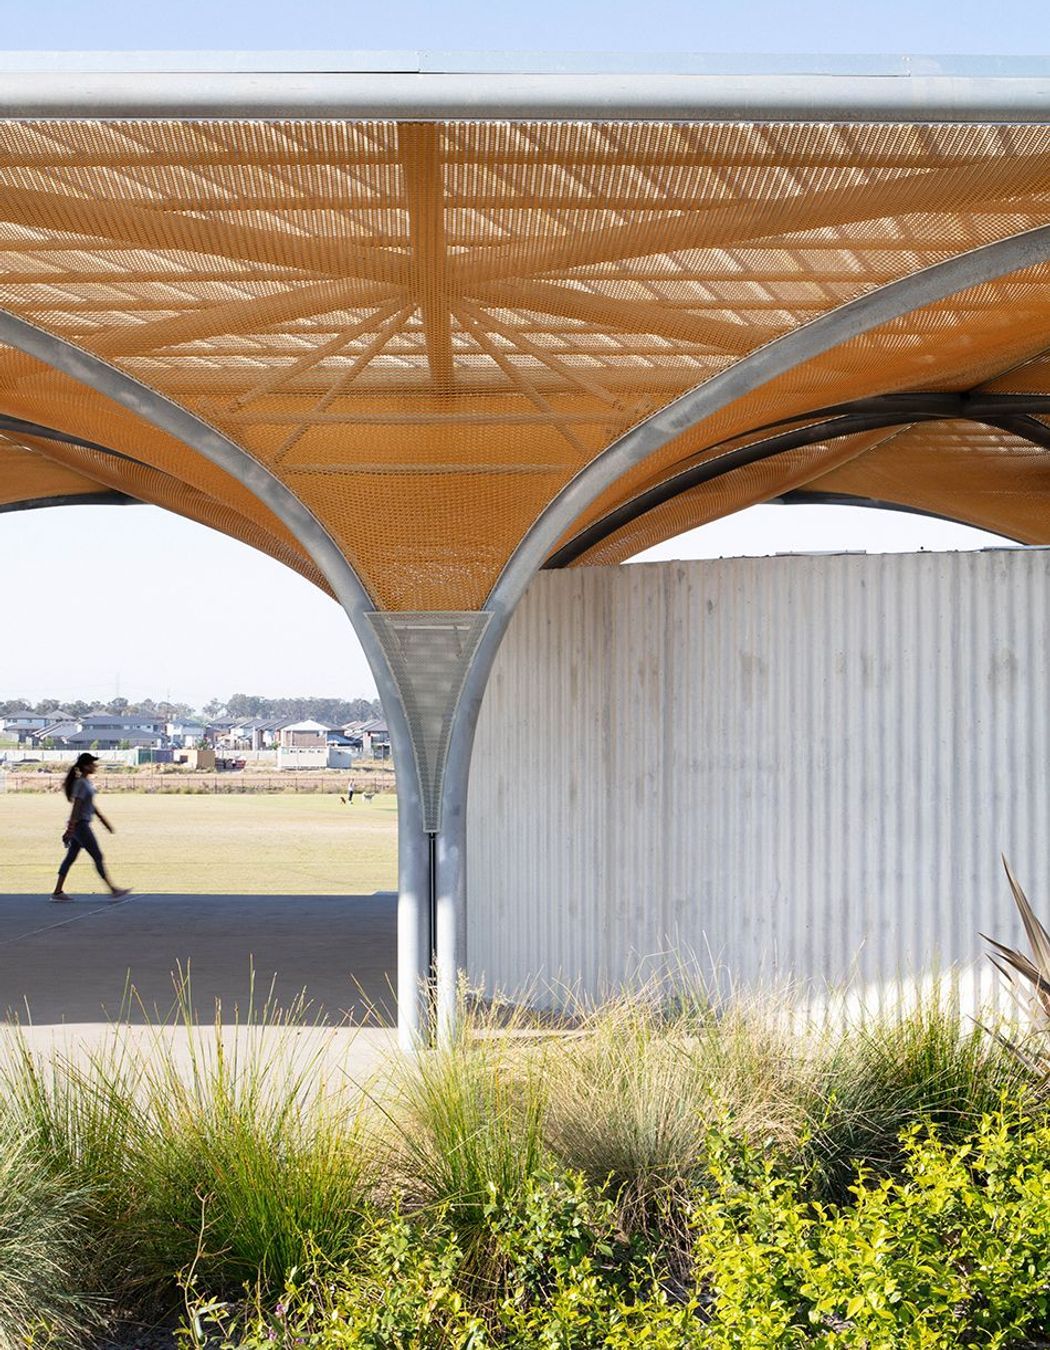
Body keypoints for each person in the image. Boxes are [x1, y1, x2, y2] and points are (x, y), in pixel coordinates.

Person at [51, 753, 131, 902]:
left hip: (80, 824)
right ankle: (113, 890)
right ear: (86, 766)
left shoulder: (85, 782)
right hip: (80, 825)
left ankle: (57, 892)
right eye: (93, 763)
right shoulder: (81, 783)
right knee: (97, 856)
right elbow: (77, 806)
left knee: (70, 858)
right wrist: (71, 829)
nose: (95, 766)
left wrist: (103, 821)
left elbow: (90, 805)